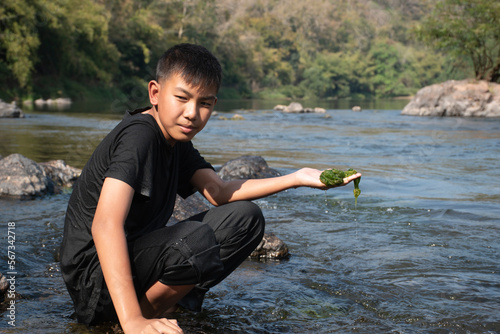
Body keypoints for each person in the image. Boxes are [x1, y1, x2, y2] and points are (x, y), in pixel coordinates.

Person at [60, 43, 361, 334]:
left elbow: (218, 192)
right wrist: (133, 321)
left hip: (128, 264)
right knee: (196, 239)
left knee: (246, 218)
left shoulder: (177, 141)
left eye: (204, 103)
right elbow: (105, 224)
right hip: (94, 280)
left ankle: (158, 308)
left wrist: (297, 177)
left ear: (213, 105)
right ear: (155, 93)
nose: (192, 113)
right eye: (182, 98)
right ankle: (135, 319)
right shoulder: (140, 137)